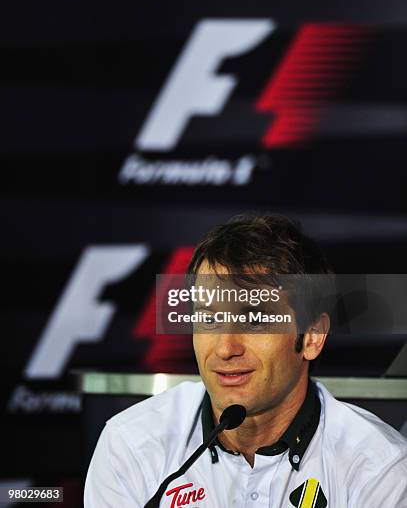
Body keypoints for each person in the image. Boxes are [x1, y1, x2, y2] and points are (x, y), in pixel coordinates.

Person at [84, 213, 407, 507]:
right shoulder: (131, 443)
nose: (225, 348)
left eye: (254, 320)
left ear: (312, 336)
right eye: (209, 319)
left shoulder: (381, 467)